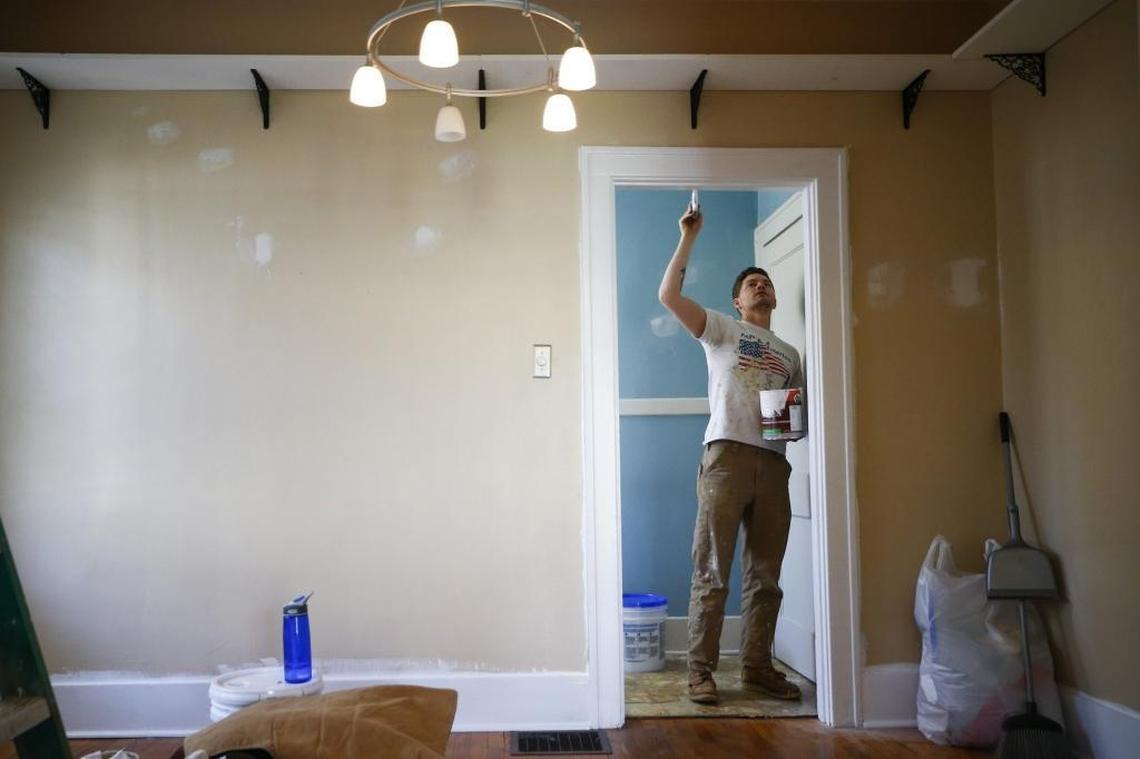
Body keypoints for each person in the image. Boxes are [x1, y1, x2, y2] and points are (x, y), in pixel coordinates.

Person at [657, 202, 804, 705]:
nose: (760, 286)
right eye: (751, 284)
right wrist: (689, 236)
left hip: (773, 463)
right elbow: (669, 295)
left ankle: (757, 667)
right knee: (712, 570)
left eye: (766, 282)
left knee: (766, 577)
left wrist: (793, 426)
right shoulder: (721, 330)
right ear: (737, 302)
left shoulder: (791, 355)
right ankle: (700, 671)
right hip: (724, 458)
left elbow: (792, 420)